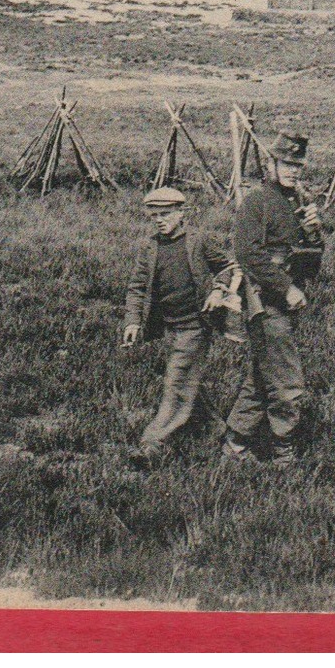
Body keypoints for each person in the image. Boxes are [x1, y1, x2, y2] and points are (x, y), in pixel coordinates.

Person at [121, 186, 240, 468]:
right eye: (154, 215)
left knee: (176, 382)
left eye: (166, 214)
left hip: (196, 325)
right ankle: (216, 431)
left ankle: (152, 444)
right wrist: (133, 321)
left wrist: (218, 290)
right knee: (187, 382)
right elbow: (137, 288)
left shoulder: (199, 241)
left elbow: (228, 266)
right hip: (169, 328)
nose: (160, 220)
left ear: (181, 214)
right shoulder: (150, 247)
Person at [224, 132, 323, 467]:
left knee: (263, 372)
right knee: (287, 379)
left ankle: (236, 444)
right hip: (264, 299)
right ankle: (283, 450)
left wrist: (313, 232)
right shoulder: (256, 201)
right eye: (286, 164)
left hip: (284, 300)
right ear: (271, 164)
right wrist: (286, 287)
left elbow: (311, 258)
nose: (293, 171)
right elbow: (248, 254)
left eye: (298, 165)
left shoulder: (297, 200)